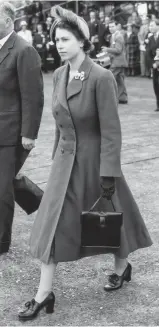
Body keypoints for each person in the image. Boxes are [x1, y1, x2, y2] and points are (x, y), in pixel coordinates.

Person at [18, 5, 152, 322]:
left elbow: (111, 130)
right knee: (51, 227)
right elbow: (63, 122)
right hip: (64, 165)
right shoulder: (61, 74)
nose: (59, 45)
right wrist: (55, 159)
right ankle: (43, 294)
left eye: (65, 39)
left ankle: (122, 267)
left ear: (82, 41)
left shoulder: (101, 77)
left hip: (94, 165)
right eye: (57, 40)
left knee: (108, 220)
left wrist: (108, 174)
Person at [0, 2, 44, 254]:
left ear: (8, 20)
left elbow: (33, 96)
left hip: (10, 132)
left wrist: (29, 133)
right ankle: (43, 201)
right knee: (4, 182)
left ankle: (2, 242)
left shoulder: (24, 50)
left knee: (1, 189)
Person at [102, 20, 128, 104]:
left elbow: (118, 50)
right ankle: (123, 98)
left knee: (109, 78)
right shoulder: (113, 36)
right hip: (118, 61)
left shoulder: (118, 36)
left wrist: (107, 49)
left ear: (117, 26)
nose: (111, 28)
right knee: (119, 80)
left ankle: (109, 98)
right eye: (109, 27)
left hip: (118, 62)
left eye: (113, 26)